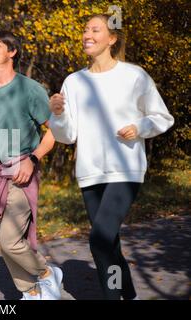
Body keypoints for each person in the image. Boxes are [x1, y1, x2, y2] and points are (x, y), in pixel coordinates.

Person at [48, 14, 174, 300]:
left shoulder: (134, 76)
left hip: (126, 170)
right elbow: (67, 134)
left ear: (112, 38)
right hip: (90, 173)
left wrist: (140, 127)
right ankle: (129, 296)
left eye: (95, 29)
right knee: (109, 243)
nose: (87, 35)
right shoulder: (74, 82)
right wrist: (57, 113)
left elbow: (162, 117)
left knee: (100, 239)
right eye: (85, 30)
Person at [0, 31, 62, 300]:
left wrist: (33, 160)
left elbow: (53, 130)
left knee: (10, 241)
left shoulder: (29, 89)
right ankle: (31, 292)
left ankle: (47, 274)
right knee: (5, 243)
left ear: (12, 52)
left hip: (21, 170)